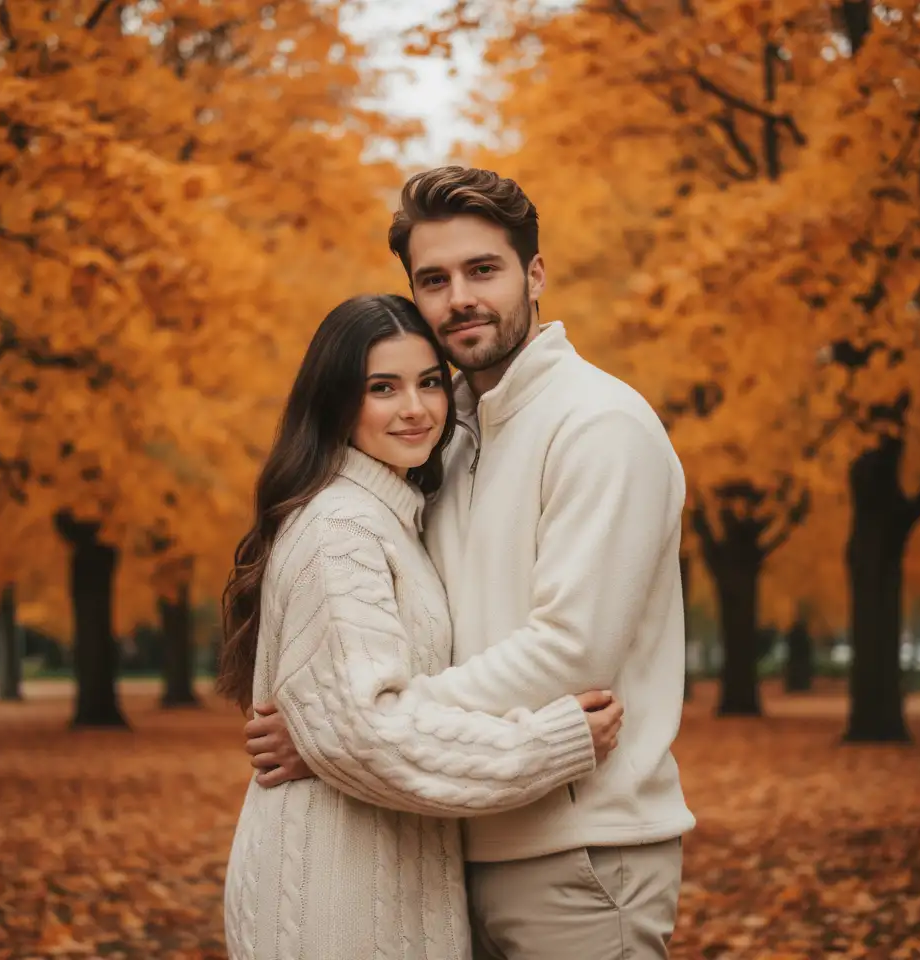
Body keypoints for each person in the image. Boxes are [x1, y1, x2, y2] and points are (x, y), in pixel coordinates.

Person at [246, 167, 697, 959]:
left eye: (482, 270)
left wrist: (348, 731)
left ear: (534, 274)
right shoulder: (443, 442)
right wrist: (350, 728)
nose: (459, 298)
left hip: (581, 853)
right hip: (454, 843)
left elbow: (572, 653)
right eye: (434, 279)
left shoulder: (600, 425)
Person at [218, 292, 624, 960]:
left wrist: (327, 736)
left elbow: (352, 728)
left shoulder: (391, 517)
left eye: (430, 382)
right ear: (336, 401)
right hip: (336, 901)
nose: (415, 408)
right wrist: (552, 744)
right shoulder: (342, 529)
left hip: (384, 884)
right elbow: (371, 734)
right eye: (383, 387)